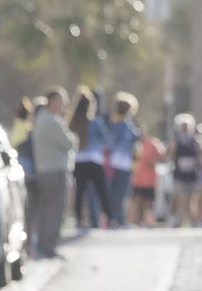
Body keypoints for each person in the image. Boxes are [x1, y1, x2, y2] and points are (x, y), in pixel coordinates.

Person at [30, 87, 75, 258]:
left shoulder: (45, 119)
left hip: (47, 170)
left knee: (48, 210)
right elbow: (69, 142)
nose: (63, 105)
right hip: (53, 172)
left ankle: (46, 245)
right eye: (61, 101)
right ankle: (48, 246)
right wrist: (73, 138)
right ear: (52, 102)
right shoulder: (51, 121)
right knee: (54, 210)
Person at [70, 88, 108, 230]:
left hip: (78, 161)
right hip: (94, 160)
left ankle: (79, 218)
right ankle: (109, 217)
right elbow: (105, 140)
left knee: (80, 191)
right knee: (101, 190)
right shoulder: (95, 122)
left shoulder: (73, 122)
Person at [105, 94, 141, 227]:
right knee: (122, 193)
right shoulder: (128, 126)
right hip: (124, 163)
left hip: (111, 163)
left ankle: (113, 218)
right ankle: (119, 219)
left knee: (113, 192)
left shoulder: (111, 124)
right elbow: (134, 144)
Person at [170, 114, 202, 228]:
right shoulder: (175, 140)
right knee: (180, 197)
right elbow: (170, 154)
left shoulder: (196, 140)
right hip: (179, 173)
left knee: (192, 199)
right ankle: (179, 220)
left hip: (191, 173)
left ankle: (193, 220)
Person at [129, 126, 165, 227]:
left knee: (148, 204)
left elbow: (161, 157)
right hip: (136, 180)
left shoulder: (152, 143)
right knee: (137, 203)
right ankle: (137, 223)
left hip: (150, 180)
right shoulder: (134, 144)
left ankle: (148, 223)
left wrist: (154, 161)